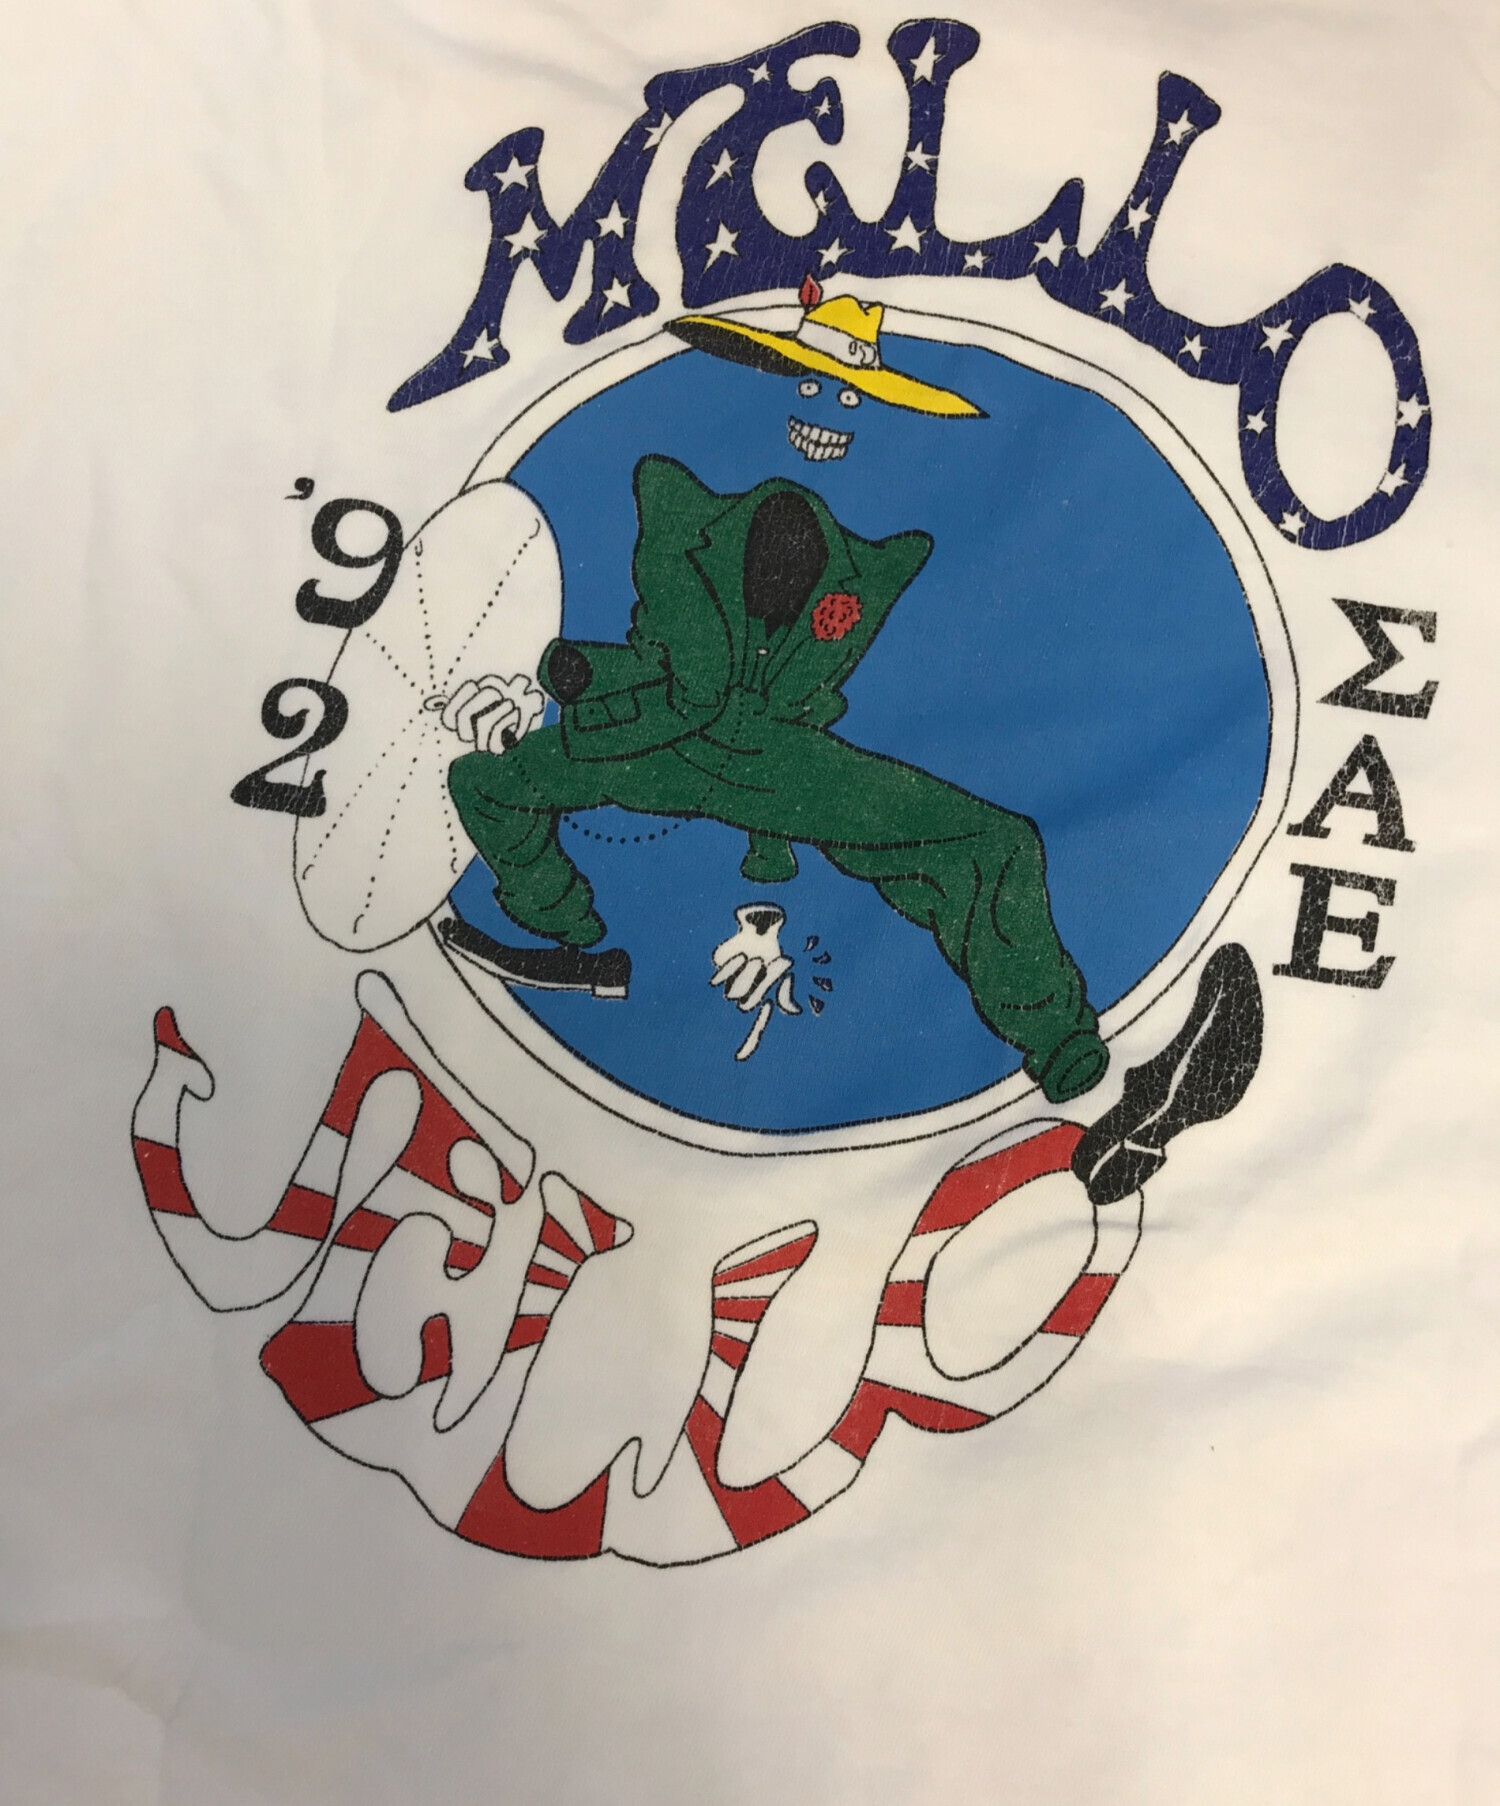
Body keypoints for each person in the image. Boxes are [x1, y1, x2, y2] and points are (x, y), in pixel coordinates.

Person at [443, 448, 1109, 1106]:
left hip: (771, 759)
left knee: (994, 841)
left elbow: (886, 568)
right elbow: (683, 674)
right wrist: (582, 690)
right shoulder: (682, 533)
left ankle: (1055, 1034)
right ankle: (562, 924)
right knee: (486, 783)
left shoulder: (850, 573)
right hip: (656, 738)